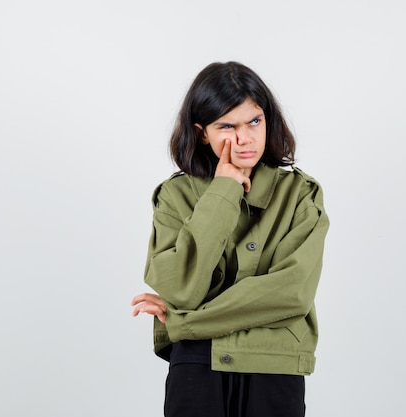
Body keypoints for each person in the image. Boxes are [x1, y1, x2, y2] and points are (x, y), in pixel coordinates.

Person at [131, 61, 329, 417]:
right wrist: (223, 190)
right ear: (202, 132)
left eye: (254, 121)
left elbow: (291, 294)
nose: (244, 138)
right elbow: (182, 287)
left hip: (274, 365)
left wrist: (182, 321)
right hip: (196, 365)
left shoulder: (300, 194)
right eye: (226, 126)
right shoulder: (175, 196)